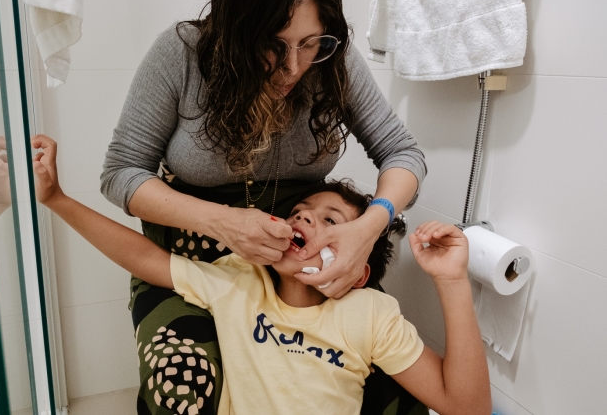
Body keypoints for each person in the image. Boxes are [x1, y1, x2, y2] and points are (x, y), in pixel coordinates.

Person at [100, 0, 427, 413]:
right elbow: (121, 172)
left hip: (299, 261)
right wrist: (222, 222)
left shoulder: (331, 61)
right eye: (274, 44)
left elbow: (402, 153)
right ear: (236, 27)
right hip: (189, 261)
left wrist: (369, 226)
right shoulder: (181, 55)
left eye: (311, 42)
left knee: (397, 396)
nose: (294, 67)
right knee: (178, 391)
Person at [33, 134, 490, 415]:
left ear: (357, 271)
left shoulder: (371, 314)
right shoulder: (239, 281)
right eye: (300, 212)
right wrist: (57, 199)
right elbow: (146, 260)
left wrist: (451, 281)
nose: (304, 220)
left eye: (330, 221)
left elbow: (467, 407)